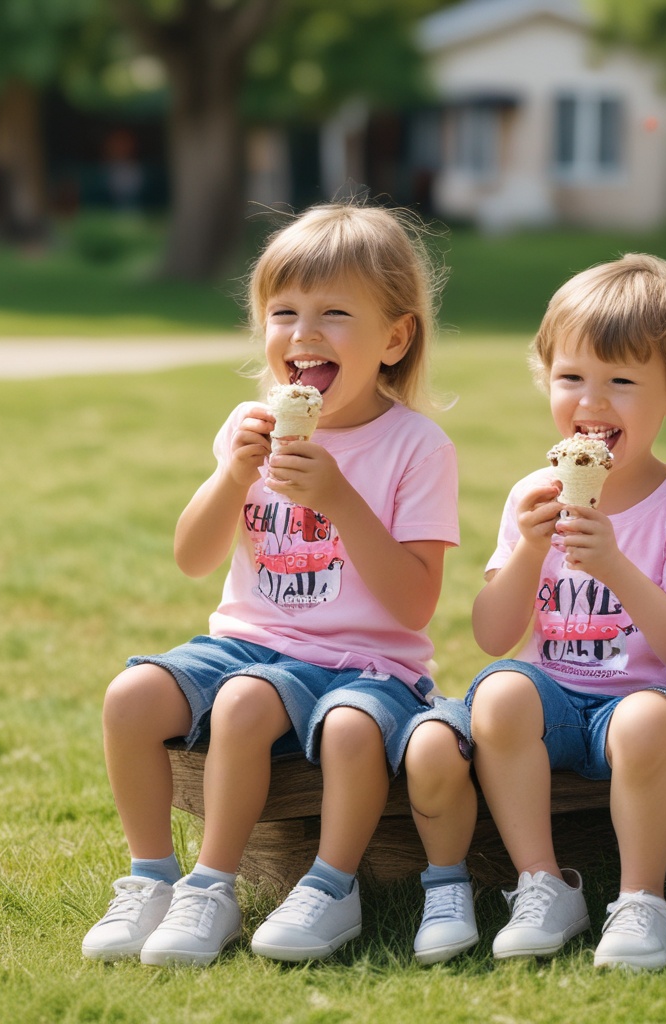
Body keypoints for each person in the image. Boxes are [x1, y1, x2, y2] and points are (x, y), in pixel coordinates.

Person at [82, 202, 478, 968]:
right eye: (283, 312)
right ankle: (153, 880)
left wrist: (338, 501)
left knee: (243, 703)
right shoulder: (249, 425)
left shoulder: (415, 447)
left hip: (363, 664)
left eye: (334, 313)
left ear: (395, 338)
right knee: (129, 699)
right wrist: (234, 471)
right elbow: (194, 556)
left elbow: (414, 603)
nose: (303, 334)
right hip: (246, 641)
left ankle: (224, 887)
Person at [467, 254, 666, 970]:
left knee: (641, 720)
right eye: (573, 378)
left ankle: (641, 900)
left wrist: (614, 564)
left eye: (622, 382)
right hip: (555, 696)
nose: (592, 403)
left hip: (644, 701)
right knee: (502, 694)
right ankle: (543, 883)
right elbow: (491, 635)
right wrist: (525, 552)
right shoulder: (532, 495)